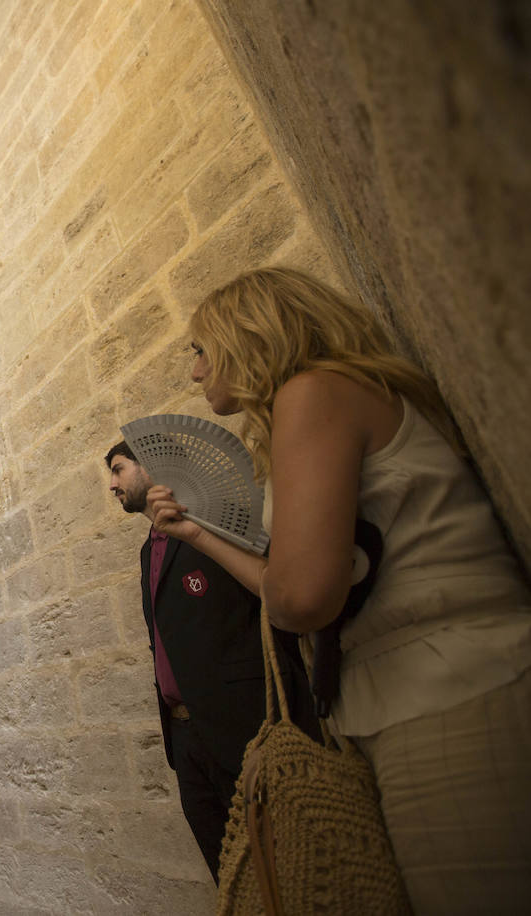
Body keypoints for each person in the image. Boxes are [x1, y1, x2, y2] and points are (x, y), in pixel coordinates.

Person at [152, 266, 531, 910]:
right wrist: (199, 534)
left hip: (450, 688)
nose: (194, 372)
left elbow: (298, 599)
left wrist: (278, 580)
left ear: (248, 336)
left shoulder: (313, 392)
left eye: (200, 349)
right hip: (417, 693)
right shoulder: (323, 397)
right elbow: (291, 590)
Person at [105, 441, 316, 882]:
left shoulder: (213, 520)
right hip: (186, 739)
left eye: (119, 469)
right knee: (232, 879)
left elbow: (270, 597)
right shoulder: (149, 551)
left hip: (243, 724)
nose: (112, 484)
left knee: (289, 868)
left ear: (151, 466)